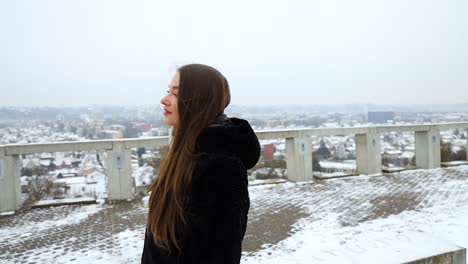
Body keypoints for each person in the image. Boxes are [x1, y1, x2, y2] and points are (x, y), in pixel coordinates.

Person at [141, 64, 260, 264]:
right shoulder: (187, 152)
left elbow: (217, 254)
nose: (164, 99)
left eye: (176, 93)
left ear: (199, 101)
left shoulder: (220, 168)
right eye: (167, 91)